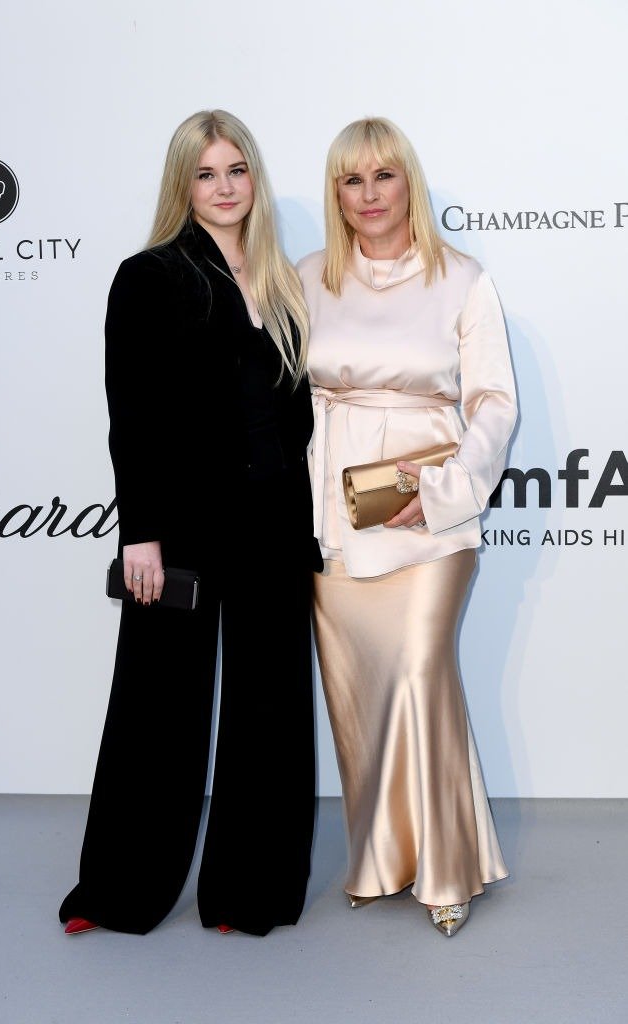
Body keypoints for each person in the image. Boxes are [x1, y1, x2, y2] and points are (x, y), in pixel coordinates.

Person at [59, 109, 322, 938]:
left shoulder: (283, 278)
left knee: (269, 707)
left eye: (236, 170)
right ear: (184, 183)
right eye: (206, 173)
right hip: (182, 527)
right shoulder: (149, 276)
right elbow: (130, 415)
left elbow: (298, 419)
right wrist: (140, 532)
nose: (224, 187)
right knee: (156, 705)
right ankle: (117, 890)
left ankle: (251, 895)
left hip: (274, 522)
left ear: (254, 178)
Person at [297, 116, 517, 936]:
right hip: (331, 508)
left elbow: (494, 402)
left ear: (408, 183)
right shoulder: (309, 274)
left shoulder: (461, 278)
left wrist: (451, 485)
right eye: (350, 181)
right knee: (360, 693)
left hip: (428, 508)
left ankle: (448, 865)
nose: (368, 195)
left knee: (422, 672)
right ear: (335, 193)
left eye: (382, 176)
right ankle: (381, 855)